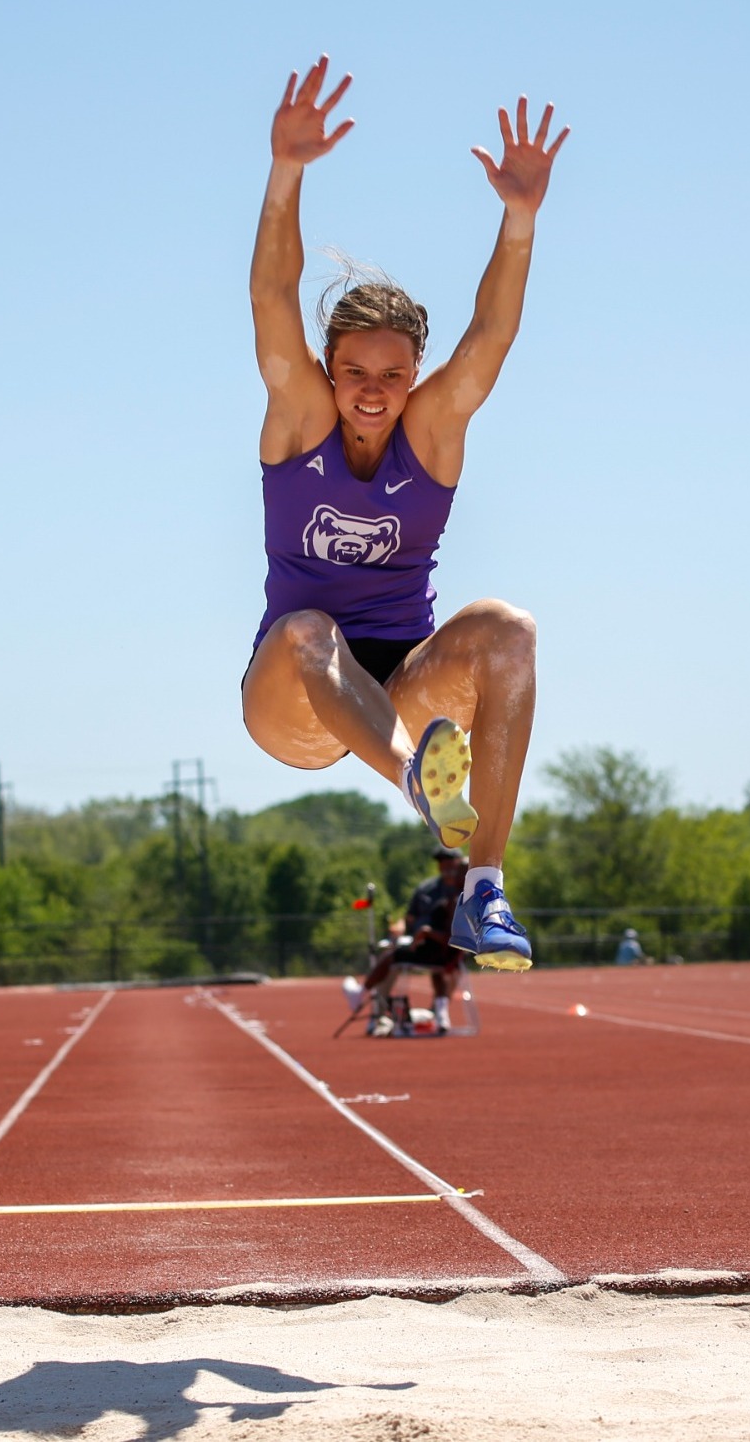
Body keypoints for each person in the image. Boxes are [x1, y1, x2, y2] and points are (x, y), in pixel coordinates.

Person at [241, 57, 567, 972]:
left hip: (404, 679)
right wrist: (286, 170)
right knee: (310, 629)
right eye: (355, 373)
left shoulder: (432, 433)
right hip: (296, 690)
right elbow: (272, 298)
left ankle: (485, 888)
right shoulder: (299, 419)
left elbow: (491, 337)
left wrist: (519, 219)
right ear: (329, 372)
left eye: (392, 375)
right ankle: (422, 787)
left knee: (509, 629)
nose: (373, 393)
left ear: (412, 376)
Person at [352, 846, 469, 1034]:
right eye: (441, 861)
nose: (446, 865)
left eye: (451, 861)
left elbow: (452, 933)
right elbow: (409, 918)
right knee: (393, 954)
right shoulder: (427, 888)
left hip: (447, 949)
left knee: (396, 957)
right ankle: (378, 1015)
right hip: (423, 944)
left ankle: (439, 1011)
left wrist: (427, 932)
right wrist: (405, 932)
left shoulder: (463, 895)